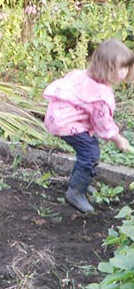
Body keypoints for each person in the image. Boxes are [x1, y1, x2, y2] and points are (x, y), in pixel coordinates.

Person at [43, 39, 134, 213]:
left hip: (58, 116)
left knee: (86, 150)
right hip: (67, 124)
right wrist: (118, 139)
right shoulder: (99, 96)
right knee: (90, 153)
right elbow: (103, 123)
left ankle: (80, 183)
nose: (125, 72)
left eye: (126, 67)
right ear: (106, 68)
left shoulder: (82, 75)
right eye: (121, 68)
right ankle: (76, 192)